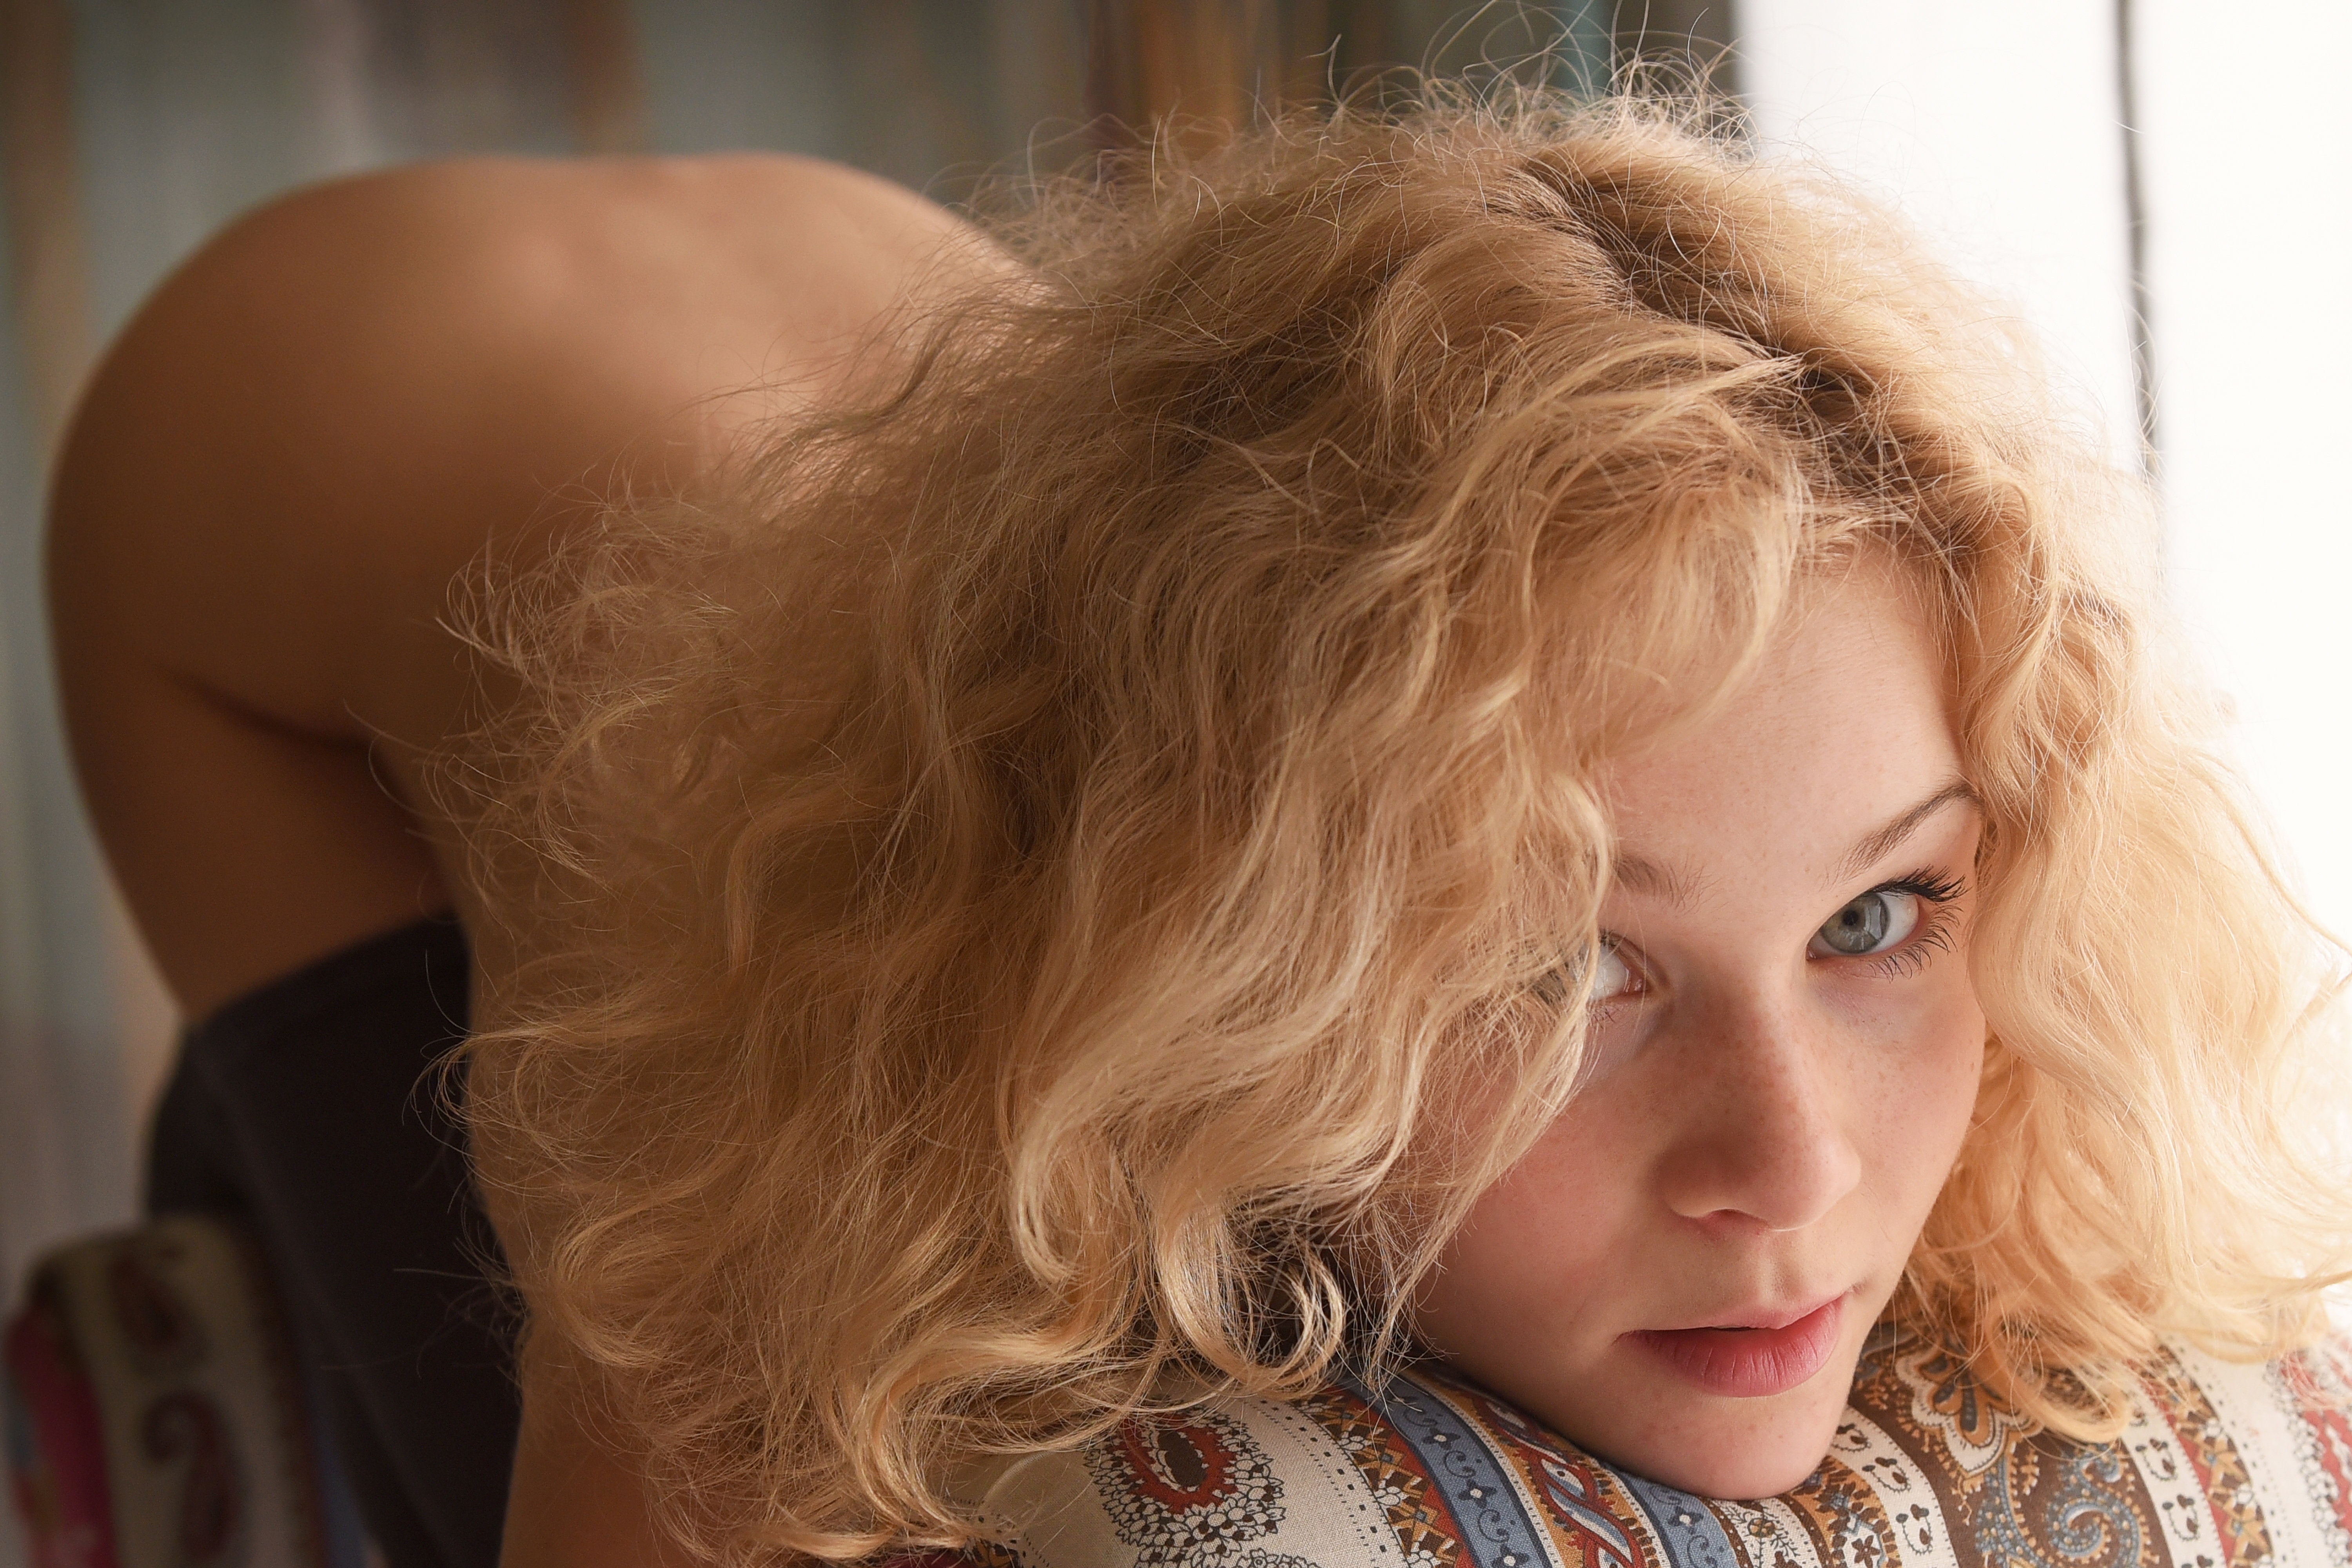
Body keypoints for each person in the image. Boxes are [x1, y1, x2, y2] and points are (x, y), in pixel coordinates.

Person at [47, 90, 2352, 1568]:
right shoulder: (846, 1082)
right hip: (268, 479)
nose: (1793, 1167)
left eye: (1876, 914)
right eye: (1559, 967)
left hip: (864, 355)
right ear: (1234, 958)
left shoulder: (1999, 971)